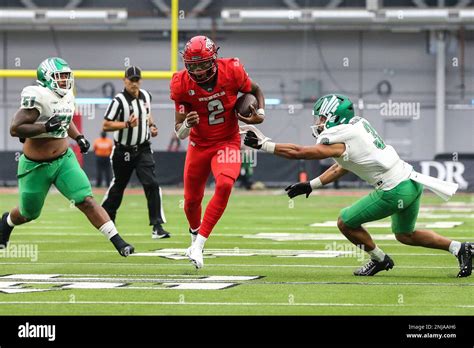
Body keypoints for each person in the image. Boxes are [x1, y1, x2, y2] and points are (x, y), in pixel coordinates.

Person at [244, 94, 472, 278]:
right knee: (405, 234)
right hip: (412, 181)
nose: (318, 123)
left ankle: (379, 259)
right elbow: (342, 166)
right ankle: (460, 248)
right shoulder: (357, 126)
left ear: (334, 117)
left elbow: (301, 153)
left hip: (394, 190)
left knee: (345, 221)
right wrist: (310, 185)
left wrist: (265, 145)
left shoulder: (340, 137)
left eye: (321, 118)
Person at [0, 57, 134, 257]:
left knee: (85, 200)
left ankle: (118, 241)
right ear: (46, 78)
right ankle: (6, 221)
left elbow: (66, 118)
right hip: (35, 166)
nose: (64, 81)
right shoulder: (38, 96)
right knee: (29, 213)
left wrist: (78, 137)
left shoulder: (67, 95)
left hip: (63, 159)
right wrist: (44, 127)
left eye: (65, 76)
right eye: (59, 77)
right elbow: (15, 128)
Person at [171, 35, 266, 269]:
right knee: (191, 202)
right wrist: (187, 125)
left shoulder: (231, 70)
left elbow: (255, 89)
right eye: (193, 66)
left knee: (225, 184)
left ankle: (200, 245)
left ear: (214, 59)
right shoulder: (181, 83)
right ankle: (194, 239)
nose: (199, 71)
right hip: (198, 145)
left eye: (203, 64)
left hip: (228, 140)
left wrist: (260, 114)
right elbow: (179, 133)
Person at [102, 66, 169, 239]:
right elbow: (106, 125)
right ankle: (107, 218)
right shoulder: (118, 101)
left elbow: (147, 115)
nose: (134, 83)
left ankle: (157, 226)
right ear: (124, 80)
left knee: (152, 184)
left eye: (137, 79)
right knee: (119, 186)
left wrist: (152, 126)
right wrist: (126, 124)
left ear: (141, 80)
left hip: (143, 148)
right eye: (131, 80)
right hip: (123, 150)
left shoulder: (146, 96)